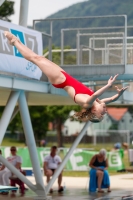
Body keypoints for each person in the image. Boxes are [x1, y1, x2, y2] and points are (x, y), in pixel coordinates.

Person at [4, 31, 128, 123]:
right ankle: (16, 42)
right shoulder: (97, 103)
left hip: (60, 80)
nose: (105, 111)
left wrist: (108, 85)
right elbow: (111, 99)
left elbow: (95, 95)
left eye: (102, 114)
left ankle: (14, 41)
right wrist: (119, 95)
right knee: (39, 58)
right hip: (64, 76)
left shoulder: (87, 104)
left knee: (36, 59)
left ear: (94, 112)